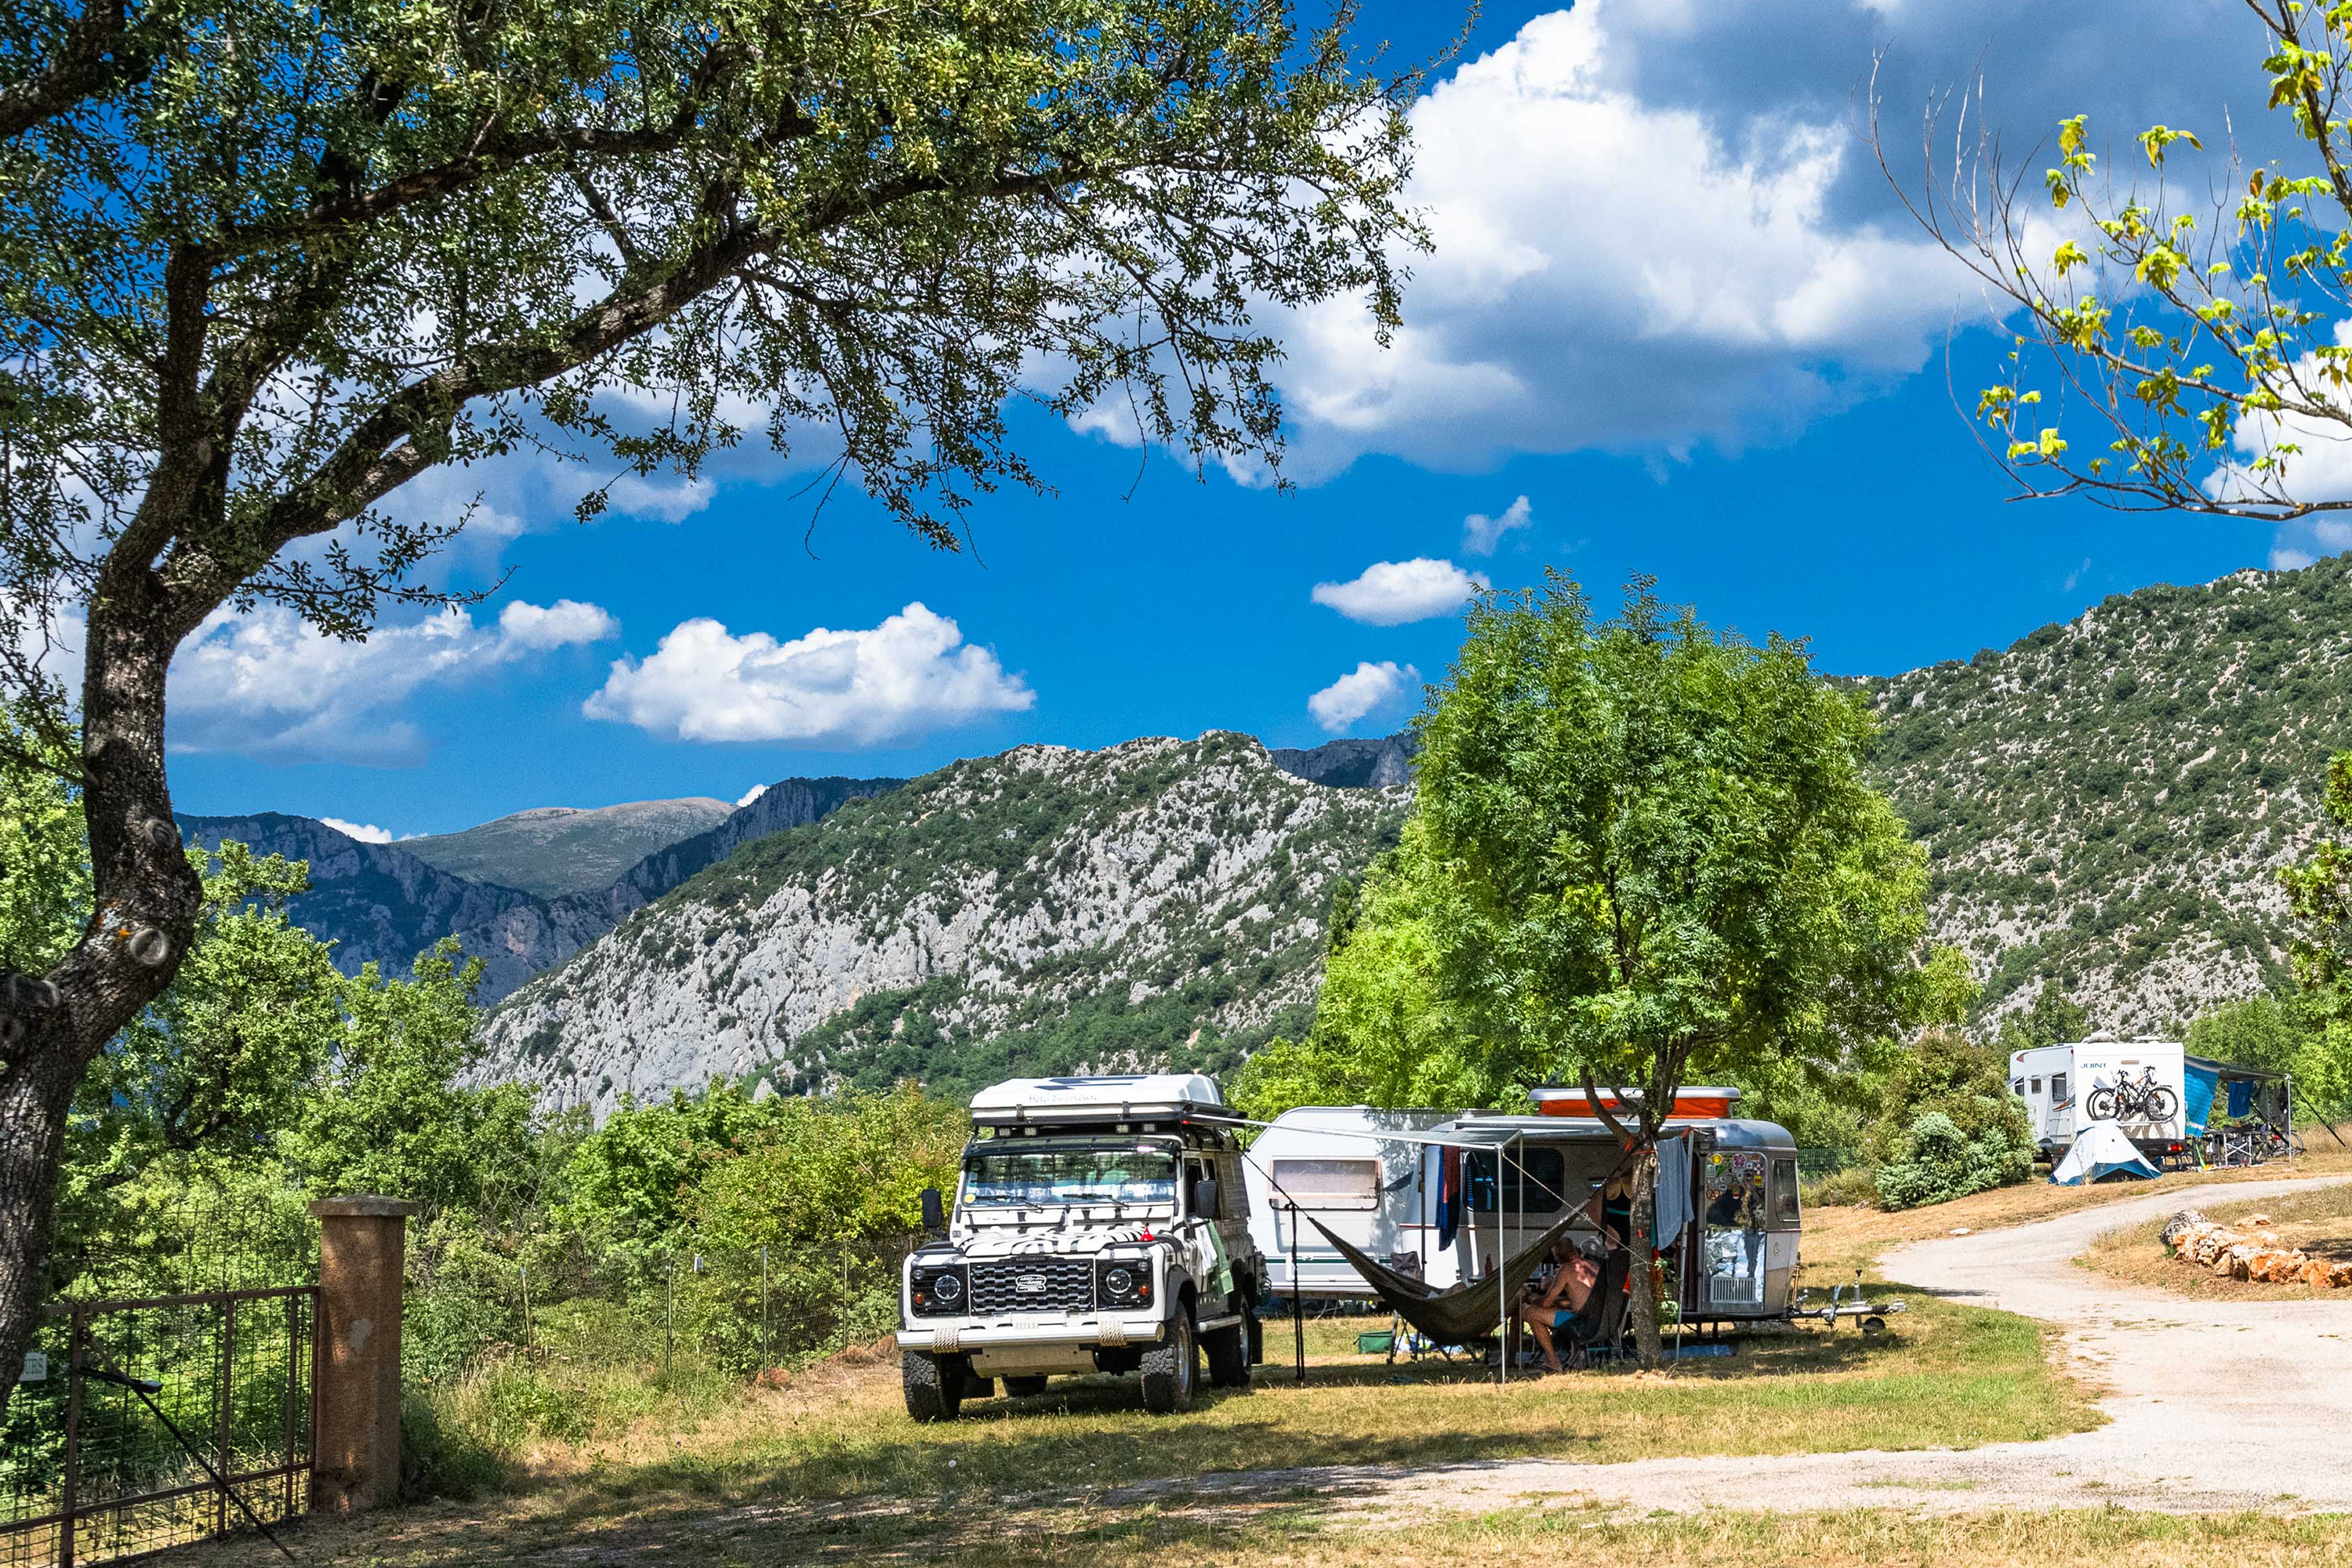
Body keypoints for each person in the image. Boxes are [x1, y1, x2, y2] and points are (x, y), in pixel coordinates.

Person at [1516, 1236, 1599, 1373]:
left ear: (1561, 1255)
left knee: (1531, 1313)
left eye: (1555, 1255)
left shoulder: (1566, 1269)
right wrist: (1559, 1302)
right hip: (1599, 1320)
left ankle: (1553, 1362)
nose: (1554, 1259)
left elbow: (1546, 1303)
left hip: (1582, 1324)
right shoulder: (1592, 1266)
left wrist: (1533, 1299)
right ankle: (1576, 1359)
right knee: (1561, 1310)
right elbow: (1580, 1299)